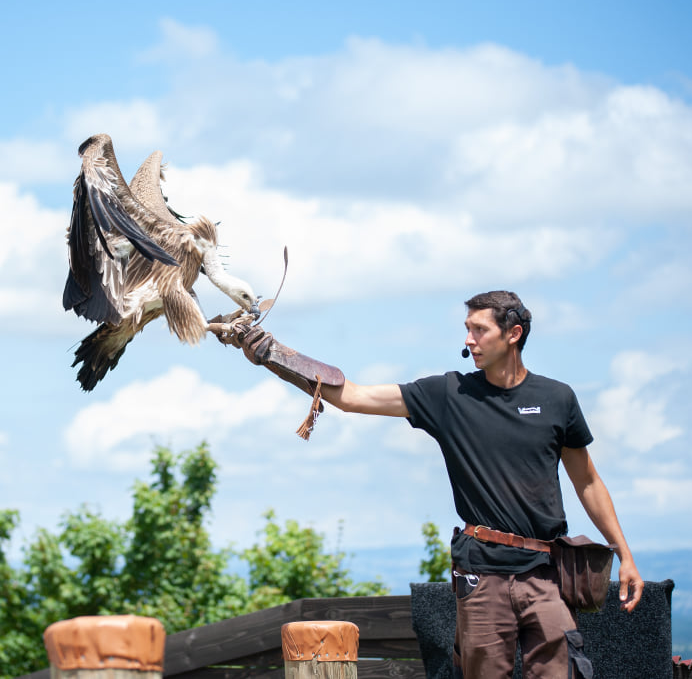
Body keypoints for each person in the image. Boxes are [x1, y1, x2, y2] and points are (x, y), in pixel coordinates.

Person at [226, 289, 643, 678]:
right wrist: (275, 355)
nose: (469, 339)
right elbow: (352, 397)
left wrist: (624, 554)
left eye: (480, 329)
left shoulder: (558, 398)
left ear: (513, 334)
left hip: (545, 574)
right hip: (482, 574)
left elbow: (587, 481)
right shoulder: (449, 394)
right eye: (467, 328)